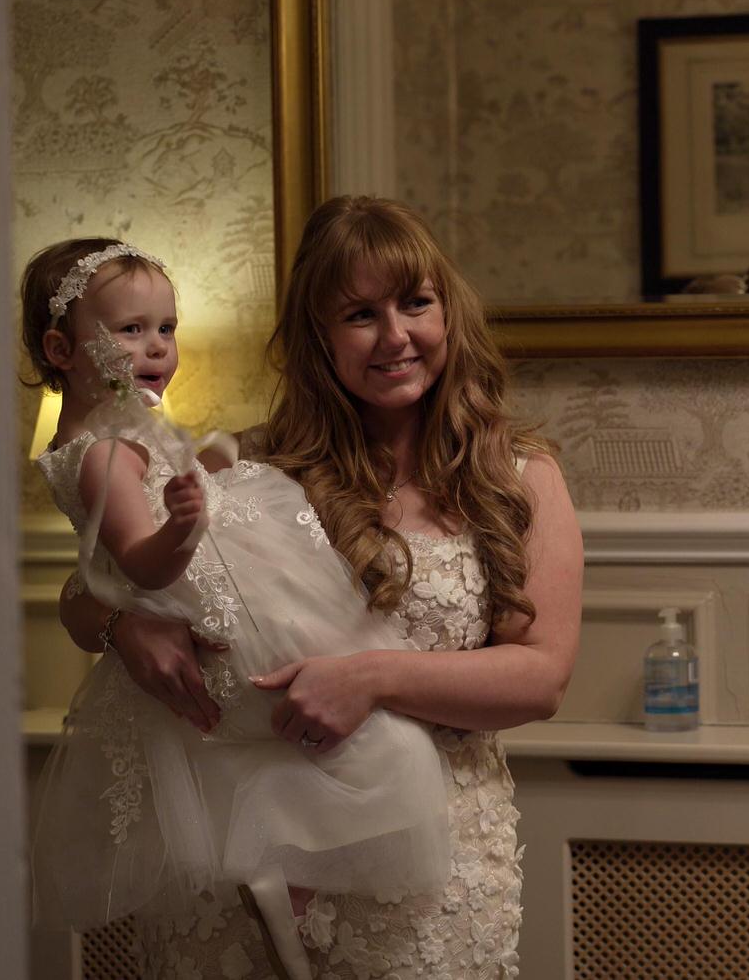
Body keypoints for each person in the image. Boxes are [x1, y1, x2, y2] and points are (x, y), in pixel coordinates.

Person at [59, 196, 584, 978]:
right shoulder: (249, 462)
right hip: (247, 868)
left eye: (415, 302)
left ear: (449, 312)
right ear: (318, 335)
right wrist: (124, 625)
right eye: (361, 314)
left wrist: (368, 678)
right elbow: (86, 589)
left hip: (428, 875)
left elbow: (542, 677)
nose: (395, 335)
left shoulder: (519, 476)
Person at [23, 239, 453, 977]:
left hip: (434, 825)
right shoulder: (124, 448)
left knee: (365, 747)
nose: (157, 347)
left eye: (166, 328)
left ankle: (287, 866)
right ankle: (288, 869)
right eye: (131, 329)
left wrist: (206, 478)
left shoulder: (129, 438)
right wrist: (128, 613)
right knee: (332, 740)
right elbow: (105, 575)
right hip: (234, 642)